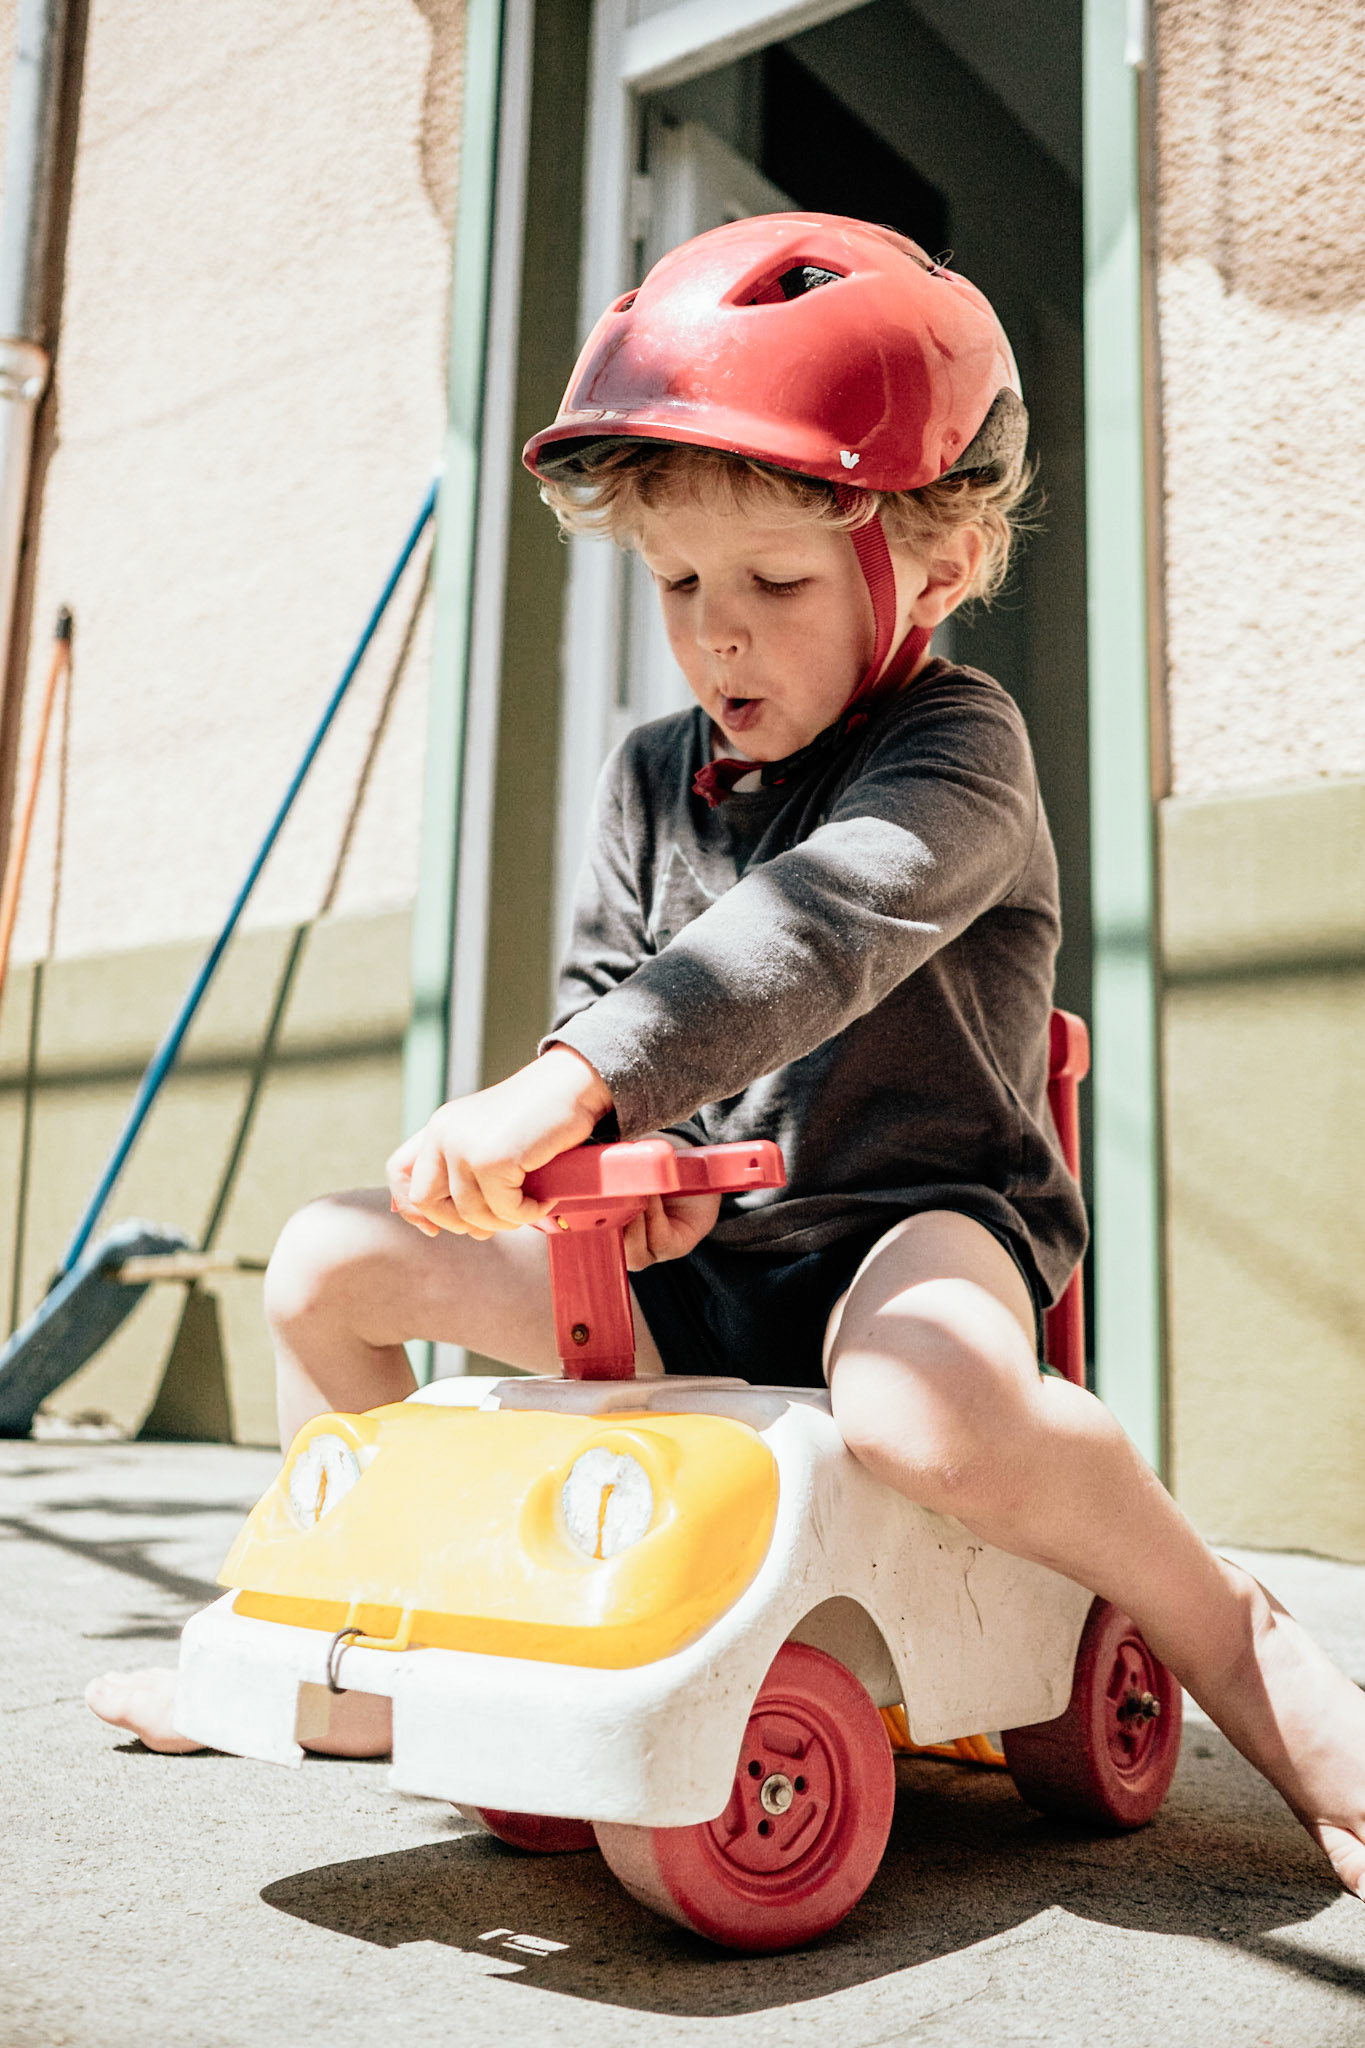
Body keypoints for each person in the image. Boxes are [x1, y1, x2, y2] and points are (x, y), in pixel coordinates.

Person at [87, 217, 1365, 1901]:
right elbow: (604, 986)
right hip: (688, 1252)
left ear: (936, 559)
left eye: (771, 584)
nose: (717, 638)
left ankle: (1250, 1648)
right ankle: (355, 1644)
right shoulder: (643, 776)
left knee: (924, 1407)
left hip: (906, 1224)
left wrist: (582, 1078)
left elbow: (815, 932)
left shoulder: (956, 749)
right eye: (680, 586)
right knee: (325, 1266)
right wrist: (573, 1162)